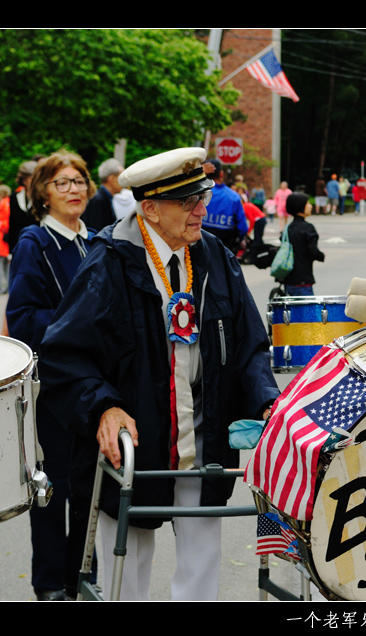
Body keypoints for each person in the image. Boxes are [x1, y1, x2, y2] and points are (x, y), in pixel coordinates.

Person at [37, 147, 281, 601]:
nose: (202, 211)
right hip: (136, 446)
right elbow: (62, 355)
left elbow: (249, 347)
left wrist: (267, 399)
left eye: (202, 198)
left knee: (202, 572)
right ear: (149, 208)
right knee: (125, 573)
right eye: (188, 202)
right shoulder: (109, 262)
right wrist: (103, 407)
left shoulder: (215, 257)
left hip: (202, 440)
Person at [6, 150, 98, 601]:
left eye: (79, 180)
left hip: (95, 384)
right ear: (42, 192)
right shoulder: (34, 243)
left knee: (91, 483)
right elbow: (21, 318)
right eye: (62, 183)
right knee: (51, 489)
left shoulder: (99, 241)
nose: (74, 189)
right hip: (52, 386)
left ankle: (83, 575)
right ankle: (49, 585)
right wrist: (77, 321)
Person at [201, 158, 249, 255]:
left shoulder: (199, 194)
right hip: (226, 248)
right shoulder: (233, 197)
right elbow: (243, 227)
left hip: (201, 246)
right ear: (221, 174)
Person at [283, 193, 325, 296]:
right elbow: (313, 251)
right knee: (307, 311)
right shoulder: (308, 228)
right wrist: (321, 256)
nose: (311, 206)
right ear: (300, 207)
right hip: (303, 279)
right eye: (308, 203)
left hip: (288, 278)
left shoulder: (288, 227)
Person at [82, 158, 124, 232]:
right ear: (112, 179)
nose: (124, 182)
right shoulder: (99, 200)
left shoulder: (103, 197)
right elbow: (97, 232)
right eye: (121, 177)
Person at [6, 160, 37, 255]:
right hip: (18, 245)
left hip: (37, 245)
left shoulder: (42, 198)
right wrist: (11, 251)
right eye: (30, 177)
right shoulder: (14, 197)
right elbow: (12, 224)